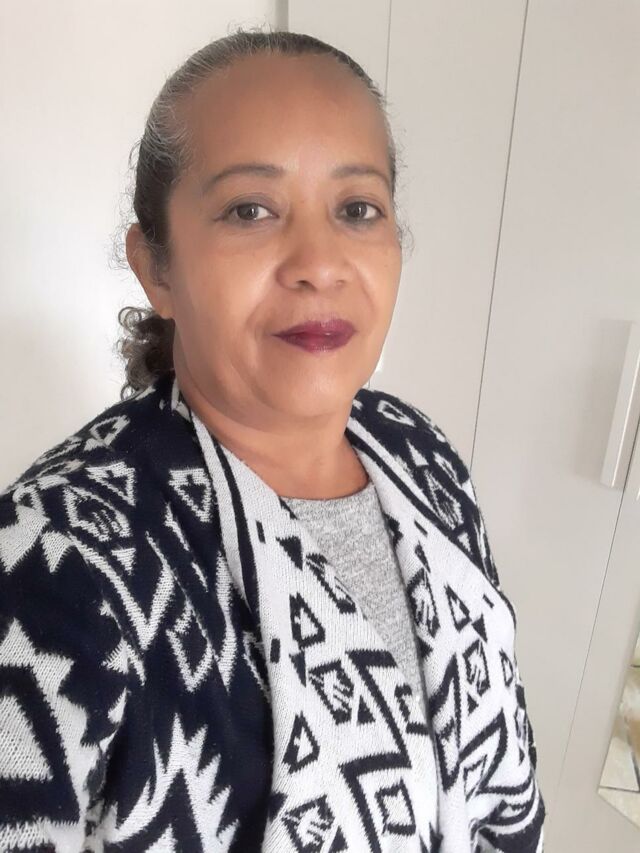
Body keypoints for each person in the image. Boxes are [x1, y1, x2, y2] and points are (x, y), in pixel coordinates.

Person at [0, 25, 546, 853]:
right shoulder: (54, 560)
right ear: (157, 267)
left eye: (357, 209)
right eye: (250, 210)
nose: (319, 262)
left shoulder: (420, 453)